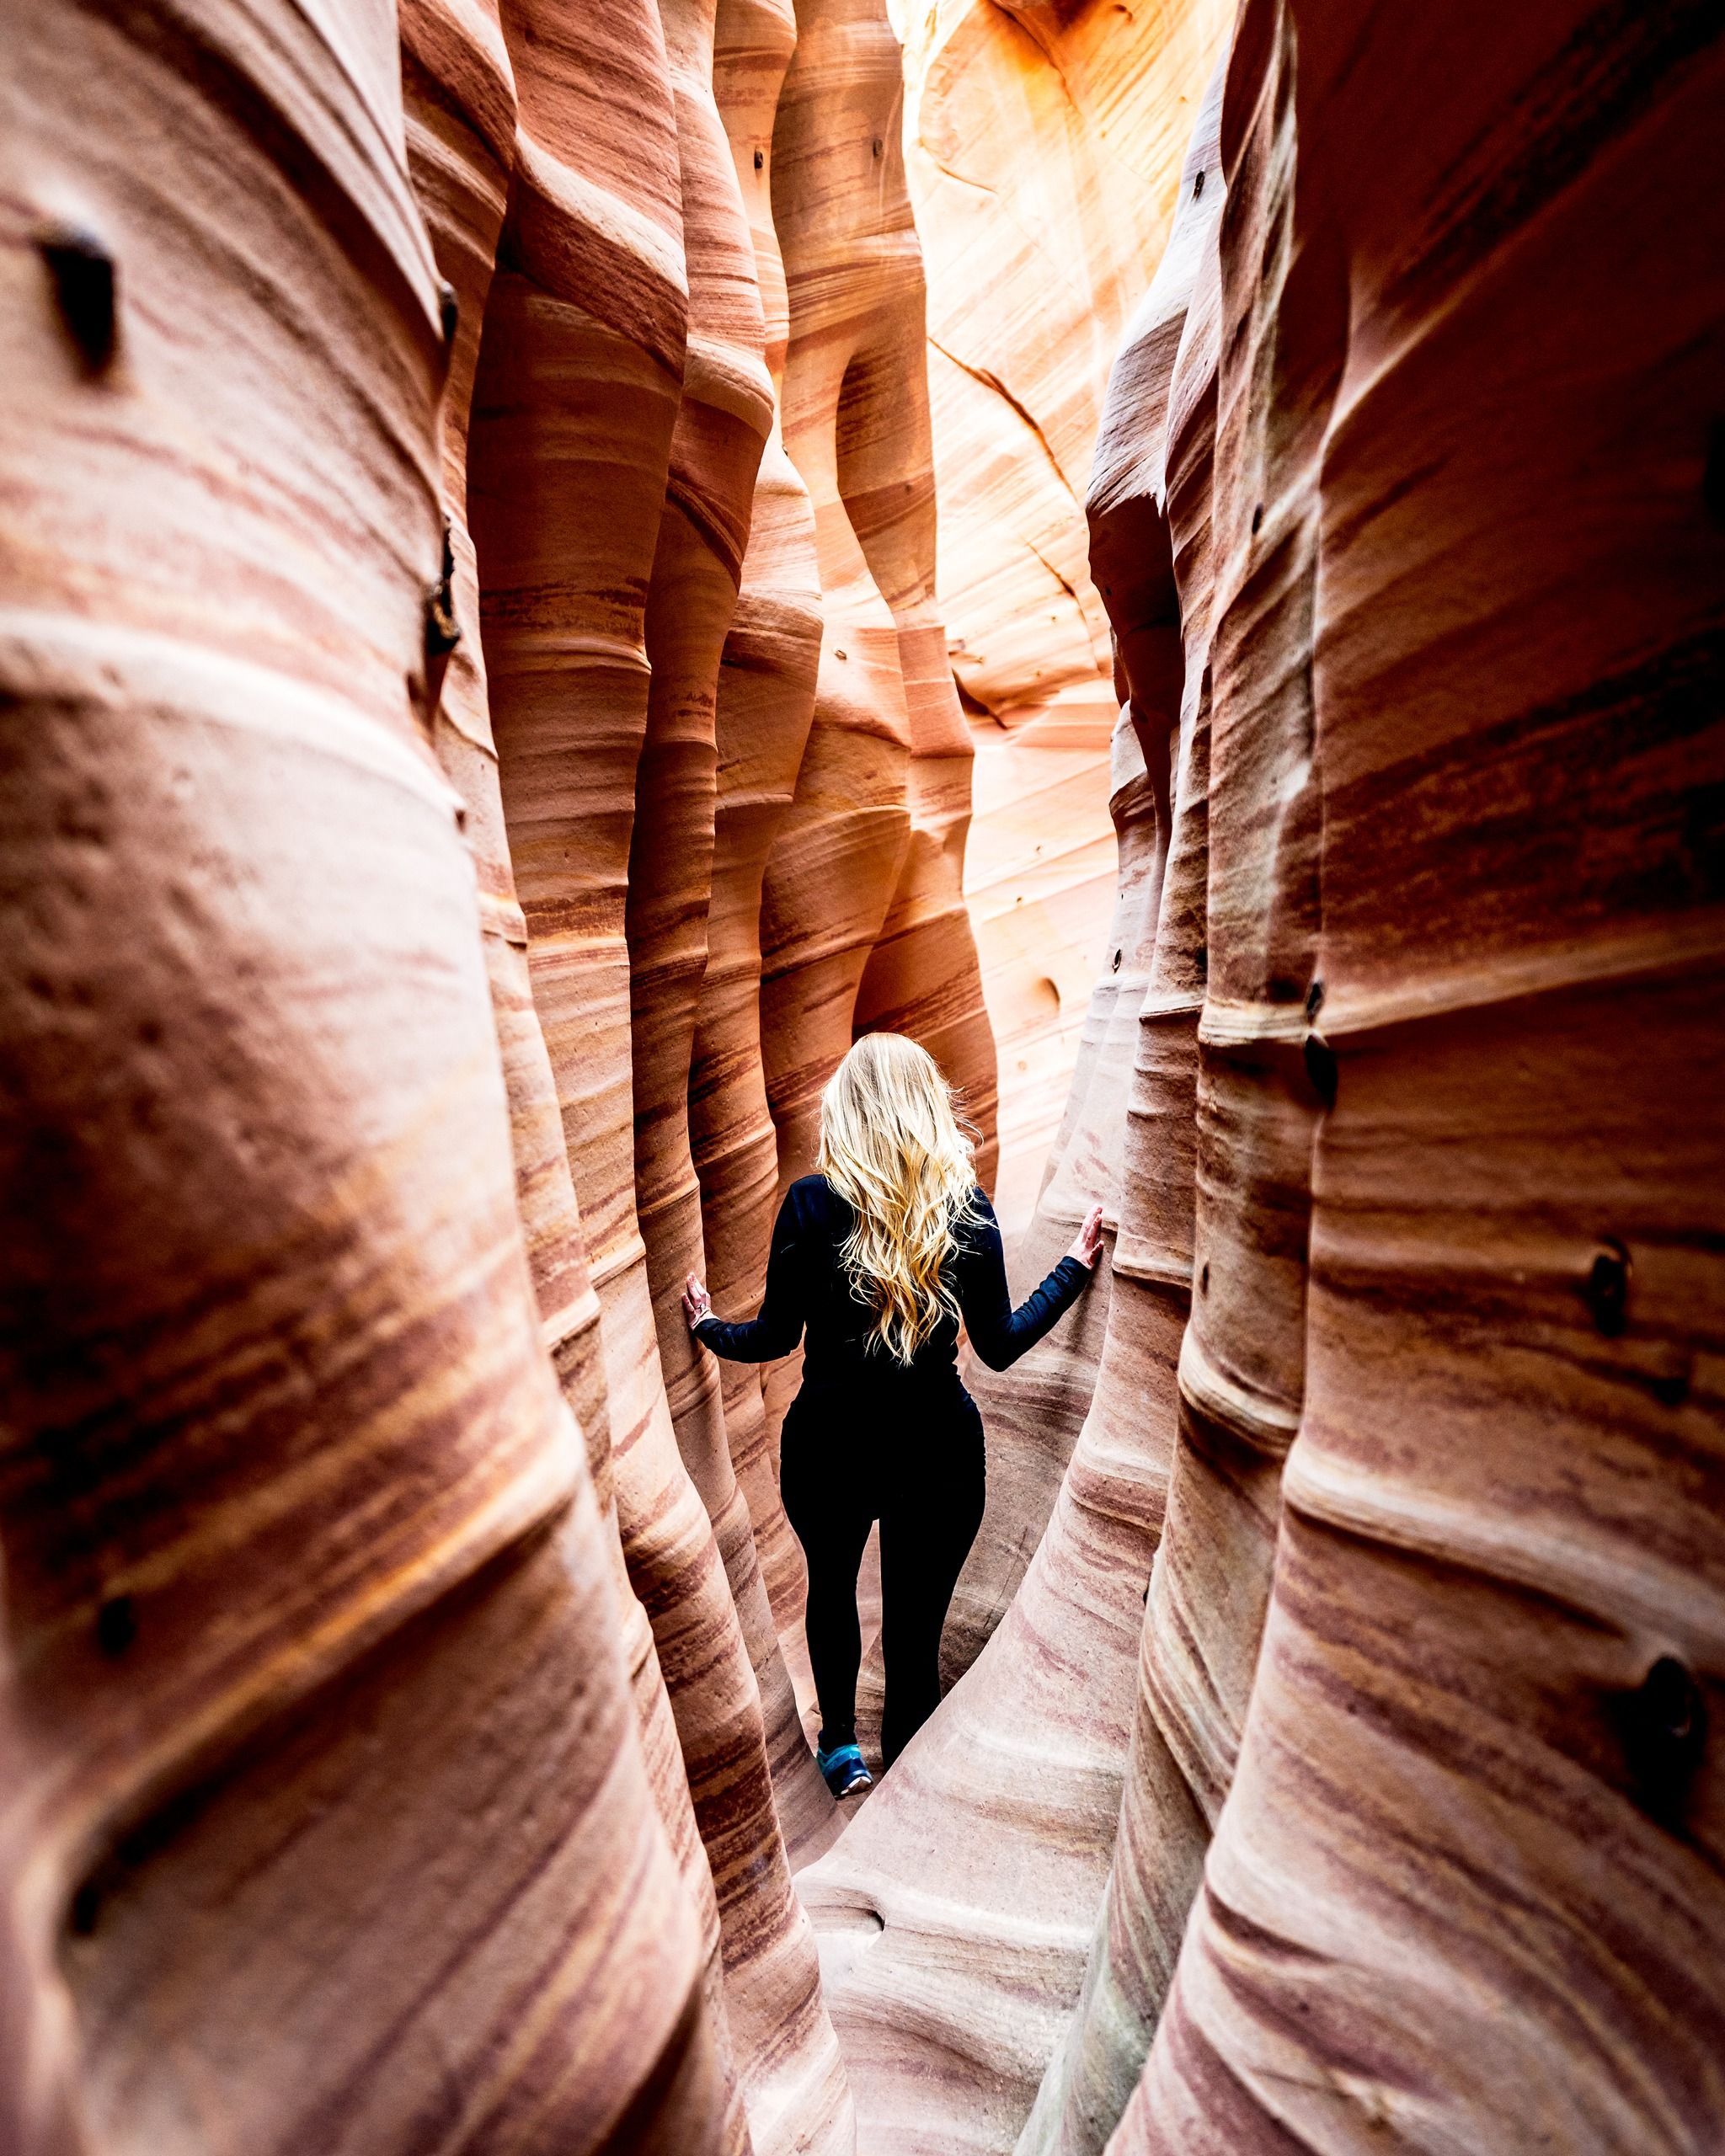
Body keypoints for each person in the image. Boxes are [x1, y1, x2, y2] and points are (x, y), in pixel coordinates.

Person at [682, 1032, 1102, 1799]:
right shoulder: (963, 1209)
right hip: (936, 1454)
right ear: (927, 1105)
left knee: (831, 1589)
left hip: (830, 1449)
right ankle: (906, 1777)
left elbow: (774, 1339)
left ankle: (841, 1747)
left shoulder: (810, 1204)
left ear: (846, 1109)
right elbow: (1001, 1345)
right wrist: (1071, 1269)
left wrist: (709, 1327)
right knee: (914, 1634)